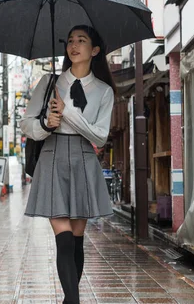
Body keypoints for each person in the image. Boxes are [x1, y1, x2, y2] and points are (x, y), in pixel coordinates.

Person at [20, 25, 116, 303]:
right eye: (70, 41)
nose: (74, 46)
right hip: (52, 156)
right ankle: (73, 301)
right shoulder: (50, 83)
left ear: (94, 50)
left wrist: (68, 113)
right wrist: (46, 124)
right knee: (62, 238)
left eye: (82, 41)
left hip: (84, 160)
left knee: (76, 239)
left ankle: (68, 300)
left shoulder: (104, 91)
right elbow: (26, 123)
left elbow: (99, 134)